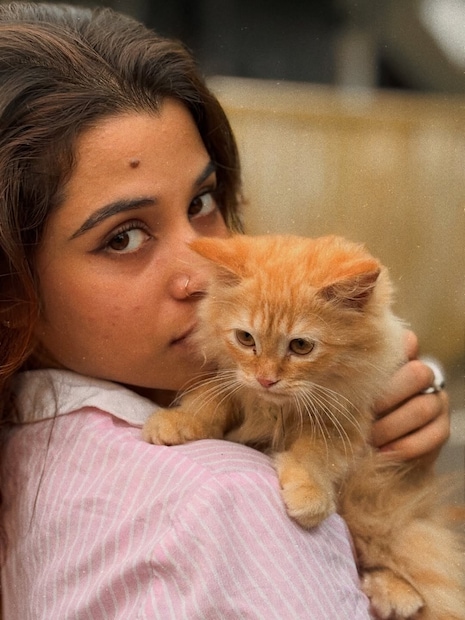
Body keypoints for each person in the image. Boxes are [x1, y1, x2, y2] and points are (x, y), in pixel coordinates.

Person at [0, 3, 450, 618]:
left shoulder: (26, 442)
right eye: (123, 237)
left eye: (202, 201)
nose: (201, 273)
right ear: (12, 290)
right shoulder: (226, 501)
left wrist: (372, 468)